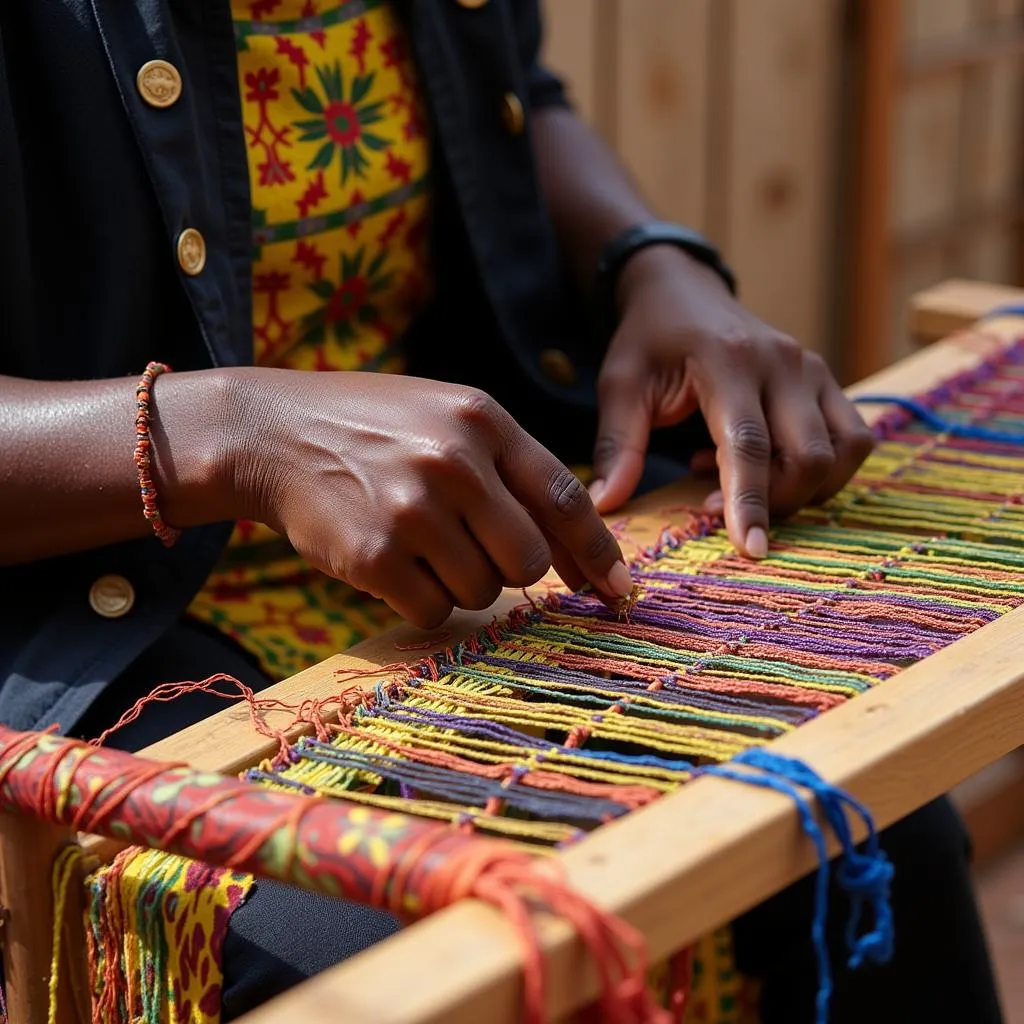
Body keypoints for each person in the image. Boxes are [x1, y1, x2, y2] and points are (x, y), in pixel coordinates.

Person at [0, 1, 1003, 1021]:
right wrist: (229, 433)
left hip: (464, 547)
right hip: (86, 626)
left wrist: (655, 262)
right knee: (400, 959)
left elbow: (518, 94)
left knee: (848, 826)